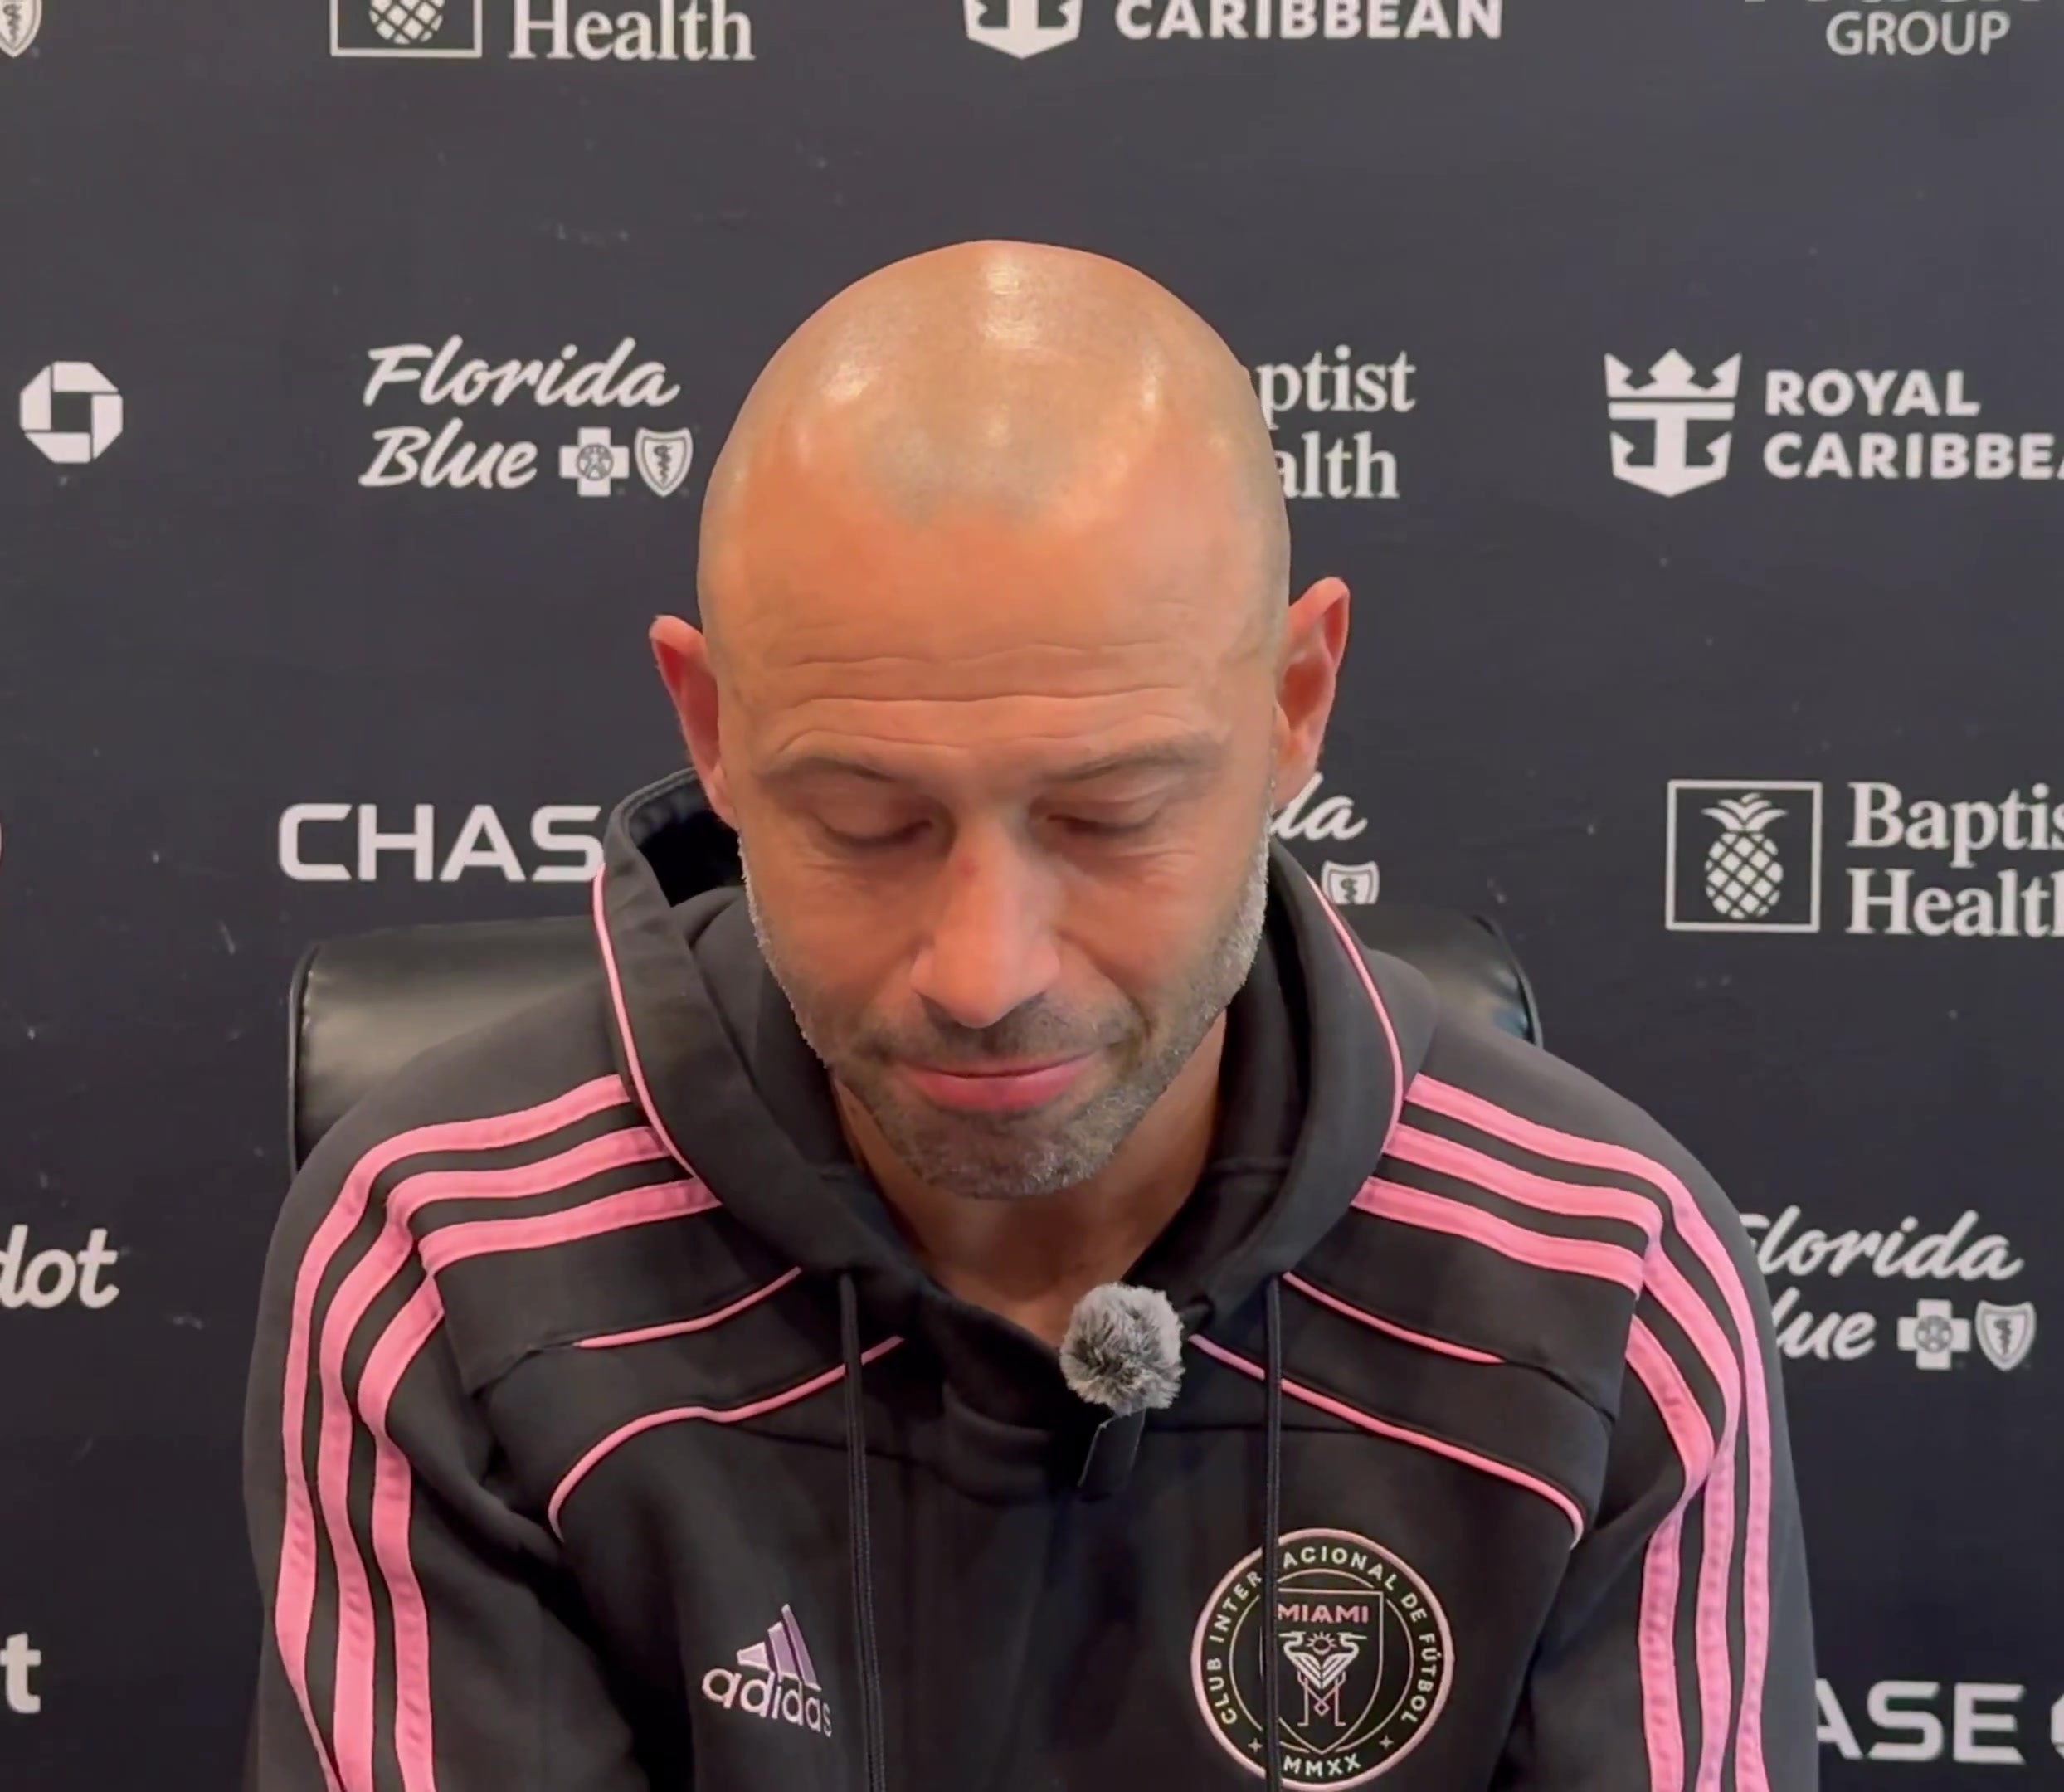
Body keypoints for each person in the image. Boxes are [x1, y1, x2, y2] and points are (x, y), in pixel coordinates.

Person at [242, 239, 1816, 1791]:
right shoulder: (448, 1259)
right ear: (711, 730)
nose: (983, 974)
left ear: (1294, 704)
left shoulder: (1604, 1286)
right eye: (868, 825)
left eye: (1107, 817)